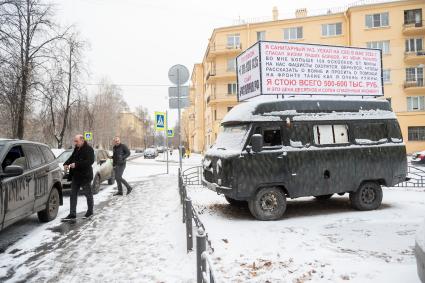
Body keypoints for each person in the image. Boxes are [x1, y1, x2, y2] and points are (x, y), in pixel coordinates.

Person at [62, 134, 95, 220]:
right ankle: (72, 214)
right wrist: (66, 163)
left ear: (82, 140)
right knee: (73, 195)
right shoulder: (76, 148)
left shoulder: (89, 149)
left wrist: (76, 164)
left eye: (76, 141)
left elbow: (90, 162)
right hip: (76, 176)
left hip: (85, 176)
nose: (75, 142)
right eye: (75, 141)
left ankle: (90, 211)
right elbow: (72, 157)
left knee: (88, 194)